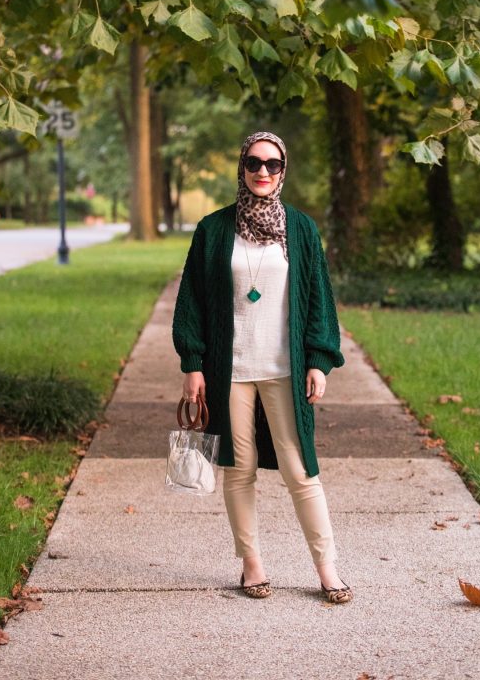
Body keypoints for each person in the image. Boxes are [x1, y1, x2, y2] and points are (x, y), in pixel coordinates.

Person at [172, 130, 352, 604]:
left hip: (284, 370)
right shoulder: (213, 229)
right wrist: (193, 363)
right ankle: (251, 564)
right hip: (228, 372)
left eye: (273, 164)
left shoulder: (301, 229)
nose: (263, 172)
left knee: (300, 470)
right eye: (254, 162)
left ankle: (328, 569)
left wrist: (318, 360)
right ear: (242, 167)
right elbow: (191, 300)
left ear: (283, 170)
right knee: (240, 469)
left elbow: (319, 300)